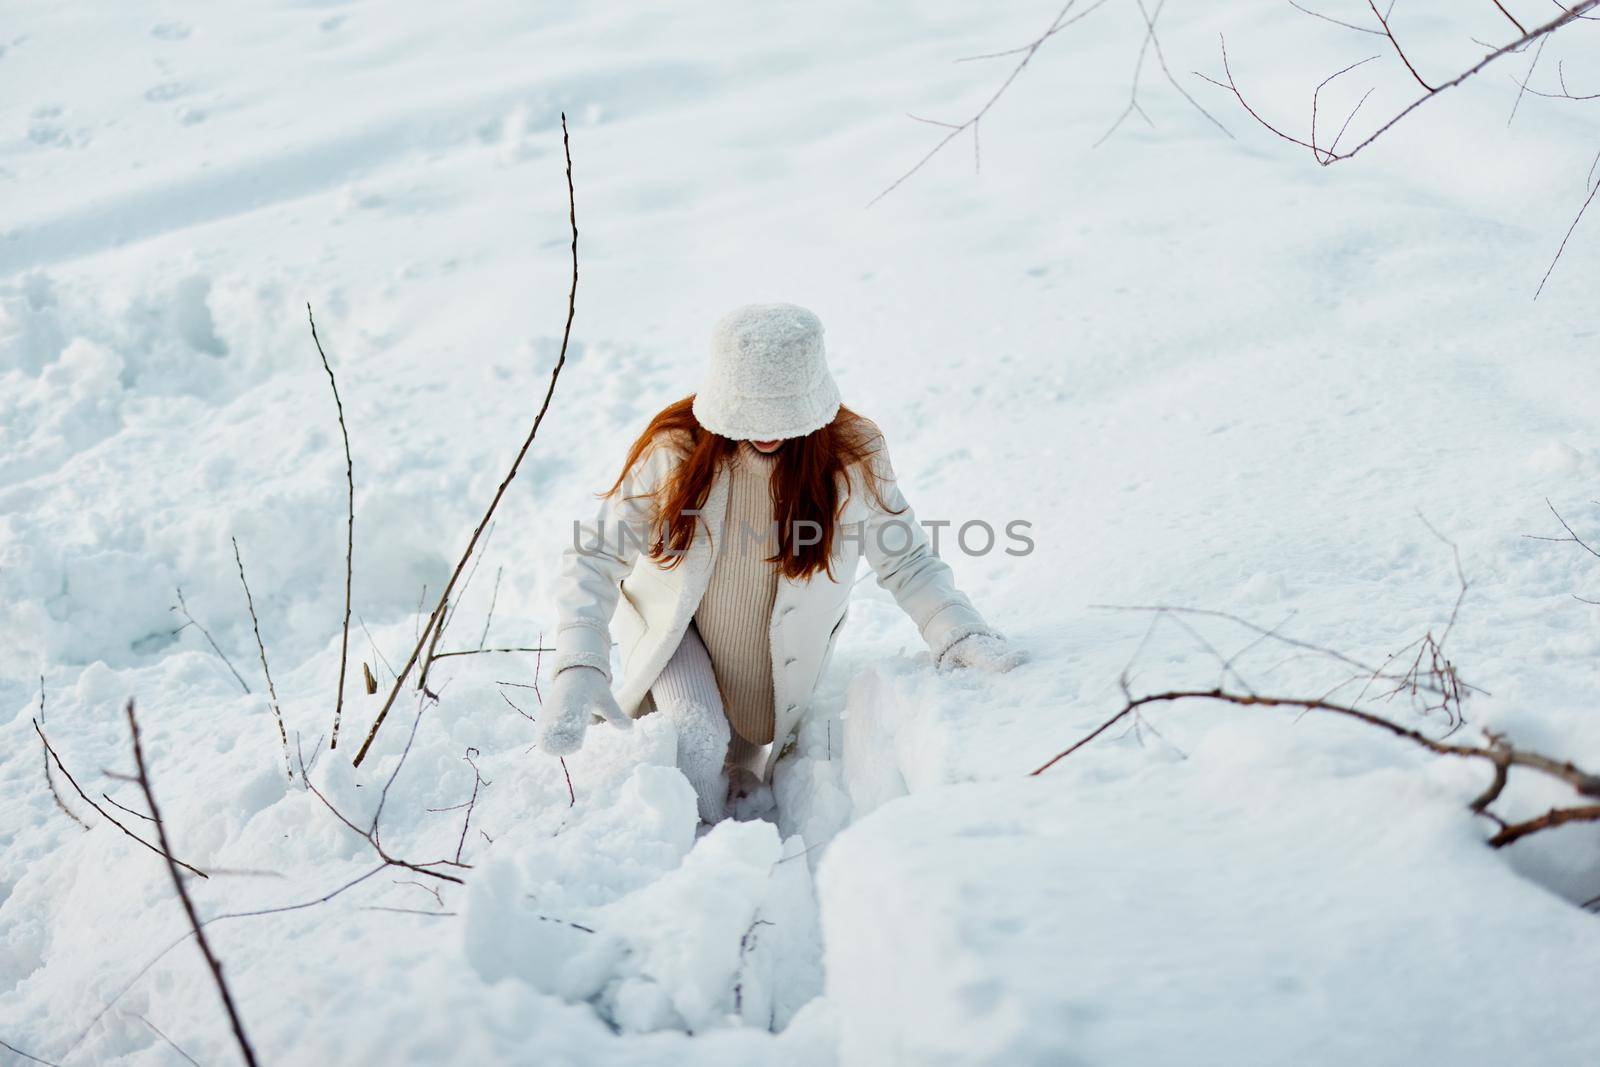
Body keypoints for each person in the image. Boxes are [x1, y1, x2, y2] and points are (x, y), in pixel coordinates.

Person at [537, 303, 1022, 822]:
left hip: (768, 678)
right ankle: (699, 854)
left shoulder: (852, 458)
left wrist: (956, 629)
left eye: (783, 414)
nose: (766, 432)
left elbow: (907, 560)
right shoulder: (675, 451)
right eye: (750, 414)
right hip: (678, 639)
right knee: (696, 734)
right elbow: (595, 555)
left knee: (734, 754)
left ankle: (739, 813)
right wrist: (580, 659)